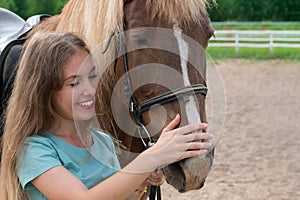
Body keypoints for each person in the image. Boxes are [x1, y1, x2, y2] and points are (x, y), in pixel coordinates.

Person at [0, 32, 213, 200]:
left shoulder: (101, 142)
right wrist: (152, 157)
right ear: (44, 91)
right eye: (74, 83)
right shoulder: (33, 151)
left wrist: (139, 182)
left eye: (92, 76)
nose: (90, 90)